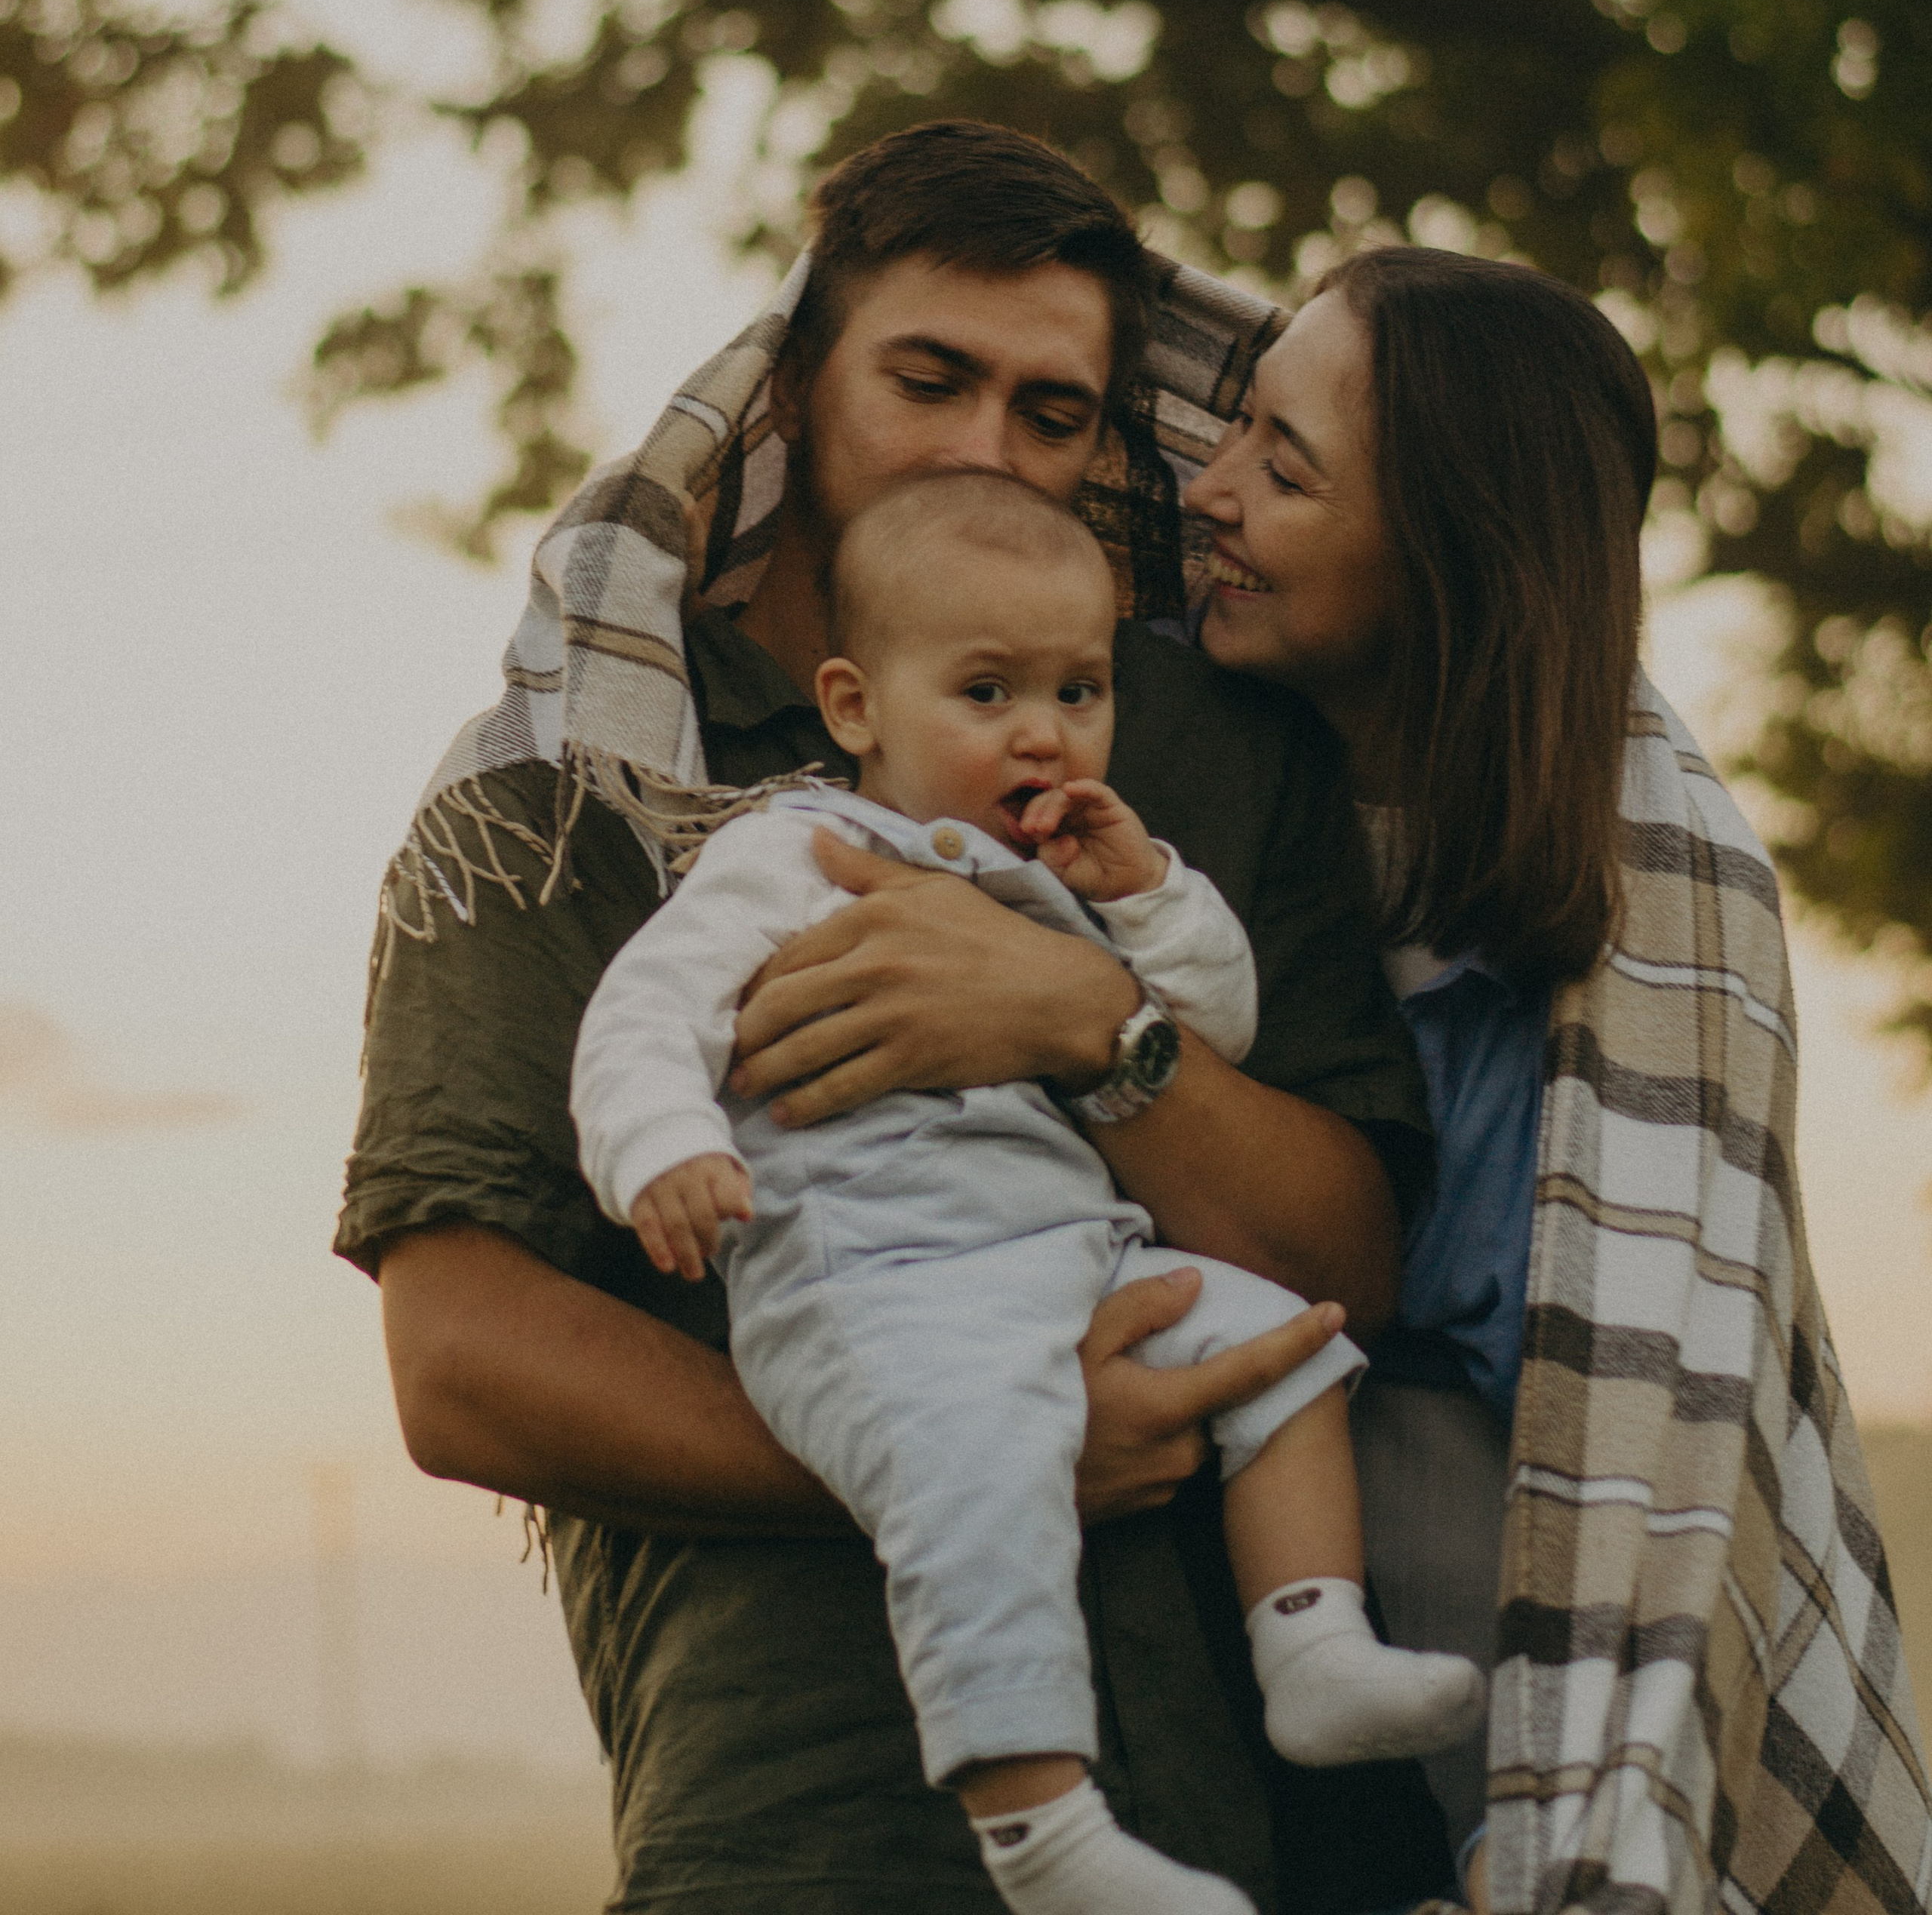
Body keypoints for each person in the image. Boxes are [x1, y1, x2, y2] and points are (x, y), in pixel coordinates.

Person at [336, 123, 1441, 1915]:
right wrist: (974, 1446)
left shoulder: (1203, 762)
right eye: (926, 380)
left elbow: (1353, 1266)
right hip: (818, 1827)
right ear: (789, 384)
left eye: (1053, 413)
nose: (984, 451)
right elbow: (458, 1360)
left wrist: (1092, 1022)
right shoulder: (566, 800)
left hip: (1272, 1831)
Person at [571, 472, 1483, 1915]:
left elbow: (1215, 1028)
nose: (1043, 731)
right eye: (986, 690)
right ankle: (1043, 1831)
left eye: (1080, 689)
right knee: (983, 1480)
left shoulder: (1054, 877)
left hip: (1071, 1259)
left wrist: (1149, 898)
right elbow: (640, 1019)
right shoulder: (786, 858)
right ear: (858, 708)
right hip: (878, 1287)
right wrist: (664, 1147)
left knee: (1282, 1349)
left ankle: (1310, 1641)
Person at [1185, 243, 1932, 1915]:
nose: (1207, 488)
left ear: (1439, 556)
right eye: (1232, 428)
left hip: (1503, 1597)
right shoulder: (1188, 803)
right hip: (1247, 1601)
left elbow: (1641, 1464)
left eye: (1282, 470)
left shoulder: (1654, 904)